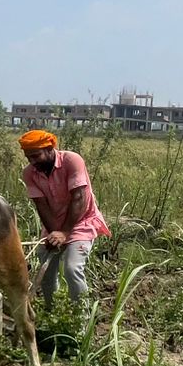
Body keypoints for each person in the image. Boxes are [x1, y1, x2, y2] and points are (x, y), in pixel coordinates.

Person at [18, 129, 111, 306]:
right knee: (45, 271)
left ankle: (81, 318)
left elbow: (79, 198)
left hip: (81, 222)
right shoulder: (30, 173)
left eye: (36, 156)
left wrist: (65, 232)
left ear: (49, 149)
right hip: (54, 225)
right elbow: (41, 205)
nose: (32, 162)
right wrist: (54, 232)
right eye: (28, 158)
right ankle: (52, 312)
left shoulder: (72, 160)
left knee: (72, 268)